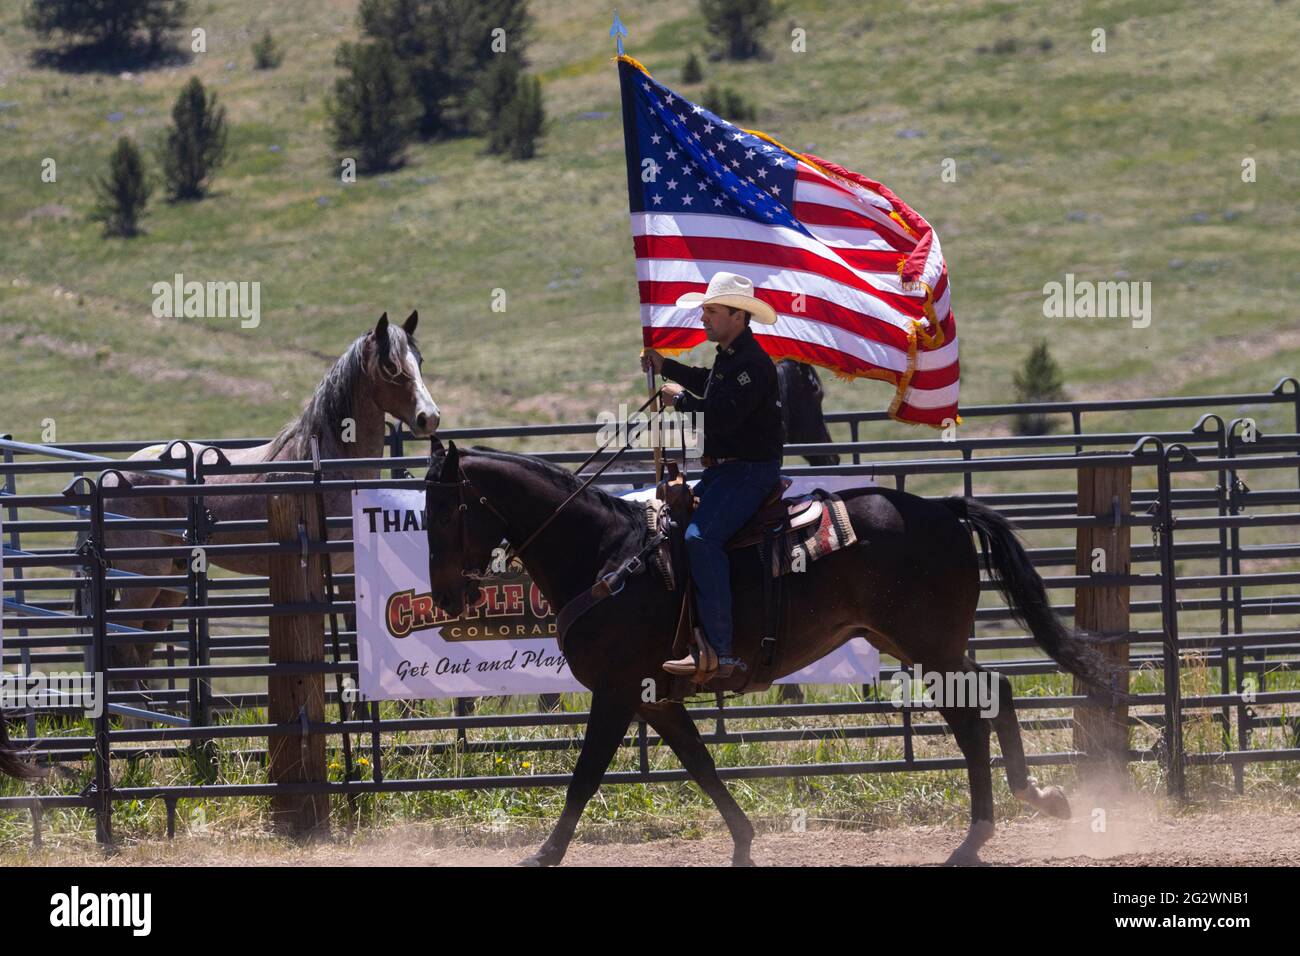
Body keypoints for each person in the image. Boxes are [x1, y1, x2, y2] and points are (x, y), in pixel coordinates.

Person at [641, 272, 784, 679]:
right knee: (674, 524)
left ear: (738, 316)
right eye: (705, 310)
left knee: (699, 538)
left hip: (750, 471)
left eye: (712, 311)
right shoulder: (734, 357)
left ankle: (720, 650)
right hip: (731, 471)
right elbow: (713, 386)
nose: (703, 318)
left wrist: (682, 401)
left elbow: (724, 416)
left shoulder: (753, 363)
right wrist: (667, 366)